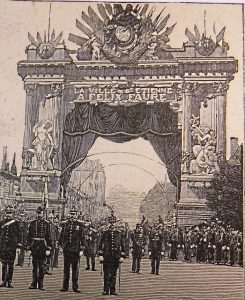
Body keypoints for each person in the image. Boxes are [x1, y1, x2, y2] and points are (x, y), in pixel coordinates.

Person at [58, 206, 85, 293]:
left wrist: (81, 249)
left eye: (74, 214)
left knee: (75, 269)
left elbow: (82, 238)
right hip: (67, 249)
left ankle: (75, 286)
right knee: (66, 269)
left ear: (76, 215)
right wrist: (60, 247)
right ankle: (65, 286)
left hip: (75, 250)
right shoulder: (65, 224)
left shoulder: (80, 225)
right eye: (71, 214)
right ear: (69, 214)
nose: (72, 216)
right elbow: (61, 236)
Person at [98, 215, 125, 296]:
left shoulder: (119, 233)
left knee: (114, 274)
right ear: (108, 223)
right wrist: (100, 255)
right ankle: (106, 289)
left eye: (113, 223)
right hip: (107, 256)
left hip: (115, 256)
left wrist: (122, 256)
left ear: (116, 223)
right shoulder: (105, 233)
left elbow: (122, 246)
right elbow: (100, 244)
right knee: (106, 273)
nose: (112, 224)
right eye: (110, 223)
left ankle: (112, 290)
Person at [26, 206, 52, 290]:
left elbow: (49, 236)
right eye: (38, 213)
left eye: (40, 213)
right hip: (34, 246)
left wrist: (48, 248)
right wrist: (29, 248)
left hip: (42, 246)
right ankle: (34, 283)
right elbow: (29, 236)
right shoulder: (32, 223)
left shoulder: (46, 223)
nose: (39, 214)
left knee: (41, 267)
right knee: (34, 267)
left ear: (43, 213)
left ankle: (40, 284)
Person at [0, 205, 22, 288]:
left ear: (12, 213)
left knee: (11, 264)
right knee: (4, 264)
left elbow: (19, 235)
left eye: (10, 213)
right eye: (7, 213)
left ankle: (9, 281)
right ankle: (3, 281)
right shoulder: (1, 222)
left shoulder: (16, 223)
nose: (8, 214)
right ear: (5, 213)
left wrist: (19, 246)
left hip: (12, 246)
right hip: (3, 247)